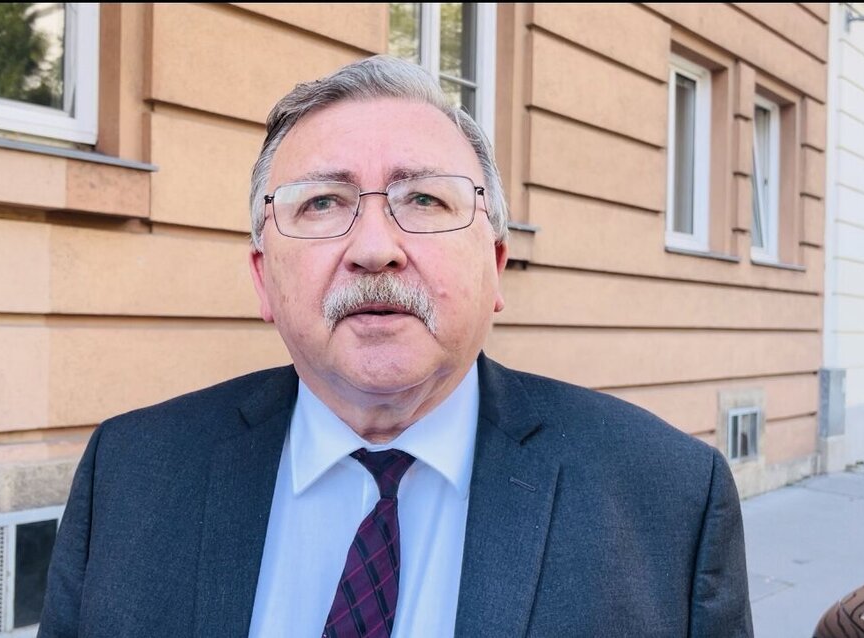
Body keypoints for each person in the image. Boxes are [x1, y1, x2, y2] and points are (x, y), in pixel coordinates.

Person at [38, 56, 753, 638]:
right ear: (263, 279)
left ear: (495, 266)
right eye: (322, 202)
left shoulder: (668, 498)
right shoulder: (130, 474)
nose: (375, 248)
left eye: (425, 200)